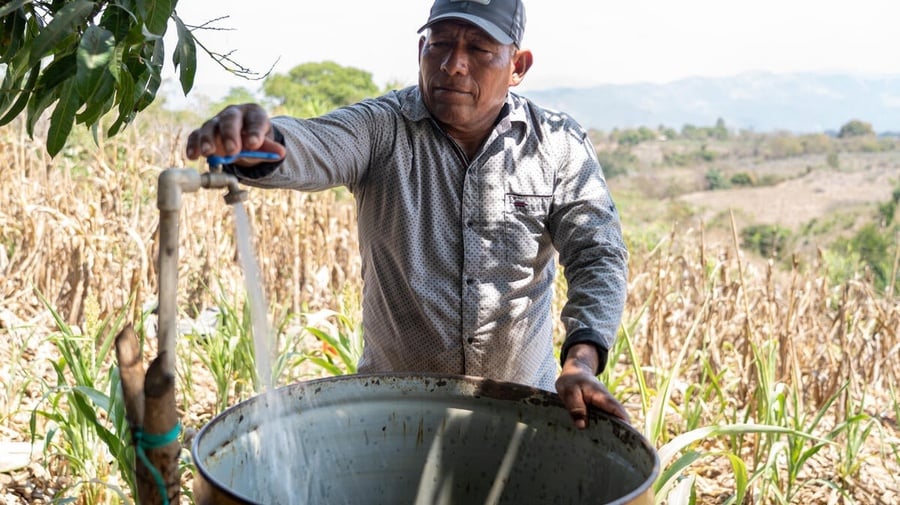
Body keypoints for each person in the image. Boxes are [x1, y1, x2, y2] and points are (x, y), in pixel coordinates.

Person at [186, 0, 630, 428]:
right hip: (393, 415)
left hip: (521, 412)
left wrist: (581, 362)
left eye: (478, 50)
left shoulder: (556, 147)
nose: (453, 64)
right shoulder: (382, 128)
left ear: (518, 67)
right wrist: (261, 144)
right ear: (421, 50)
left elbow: (598, 255)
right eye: (439, 44)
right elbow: (315, 143)